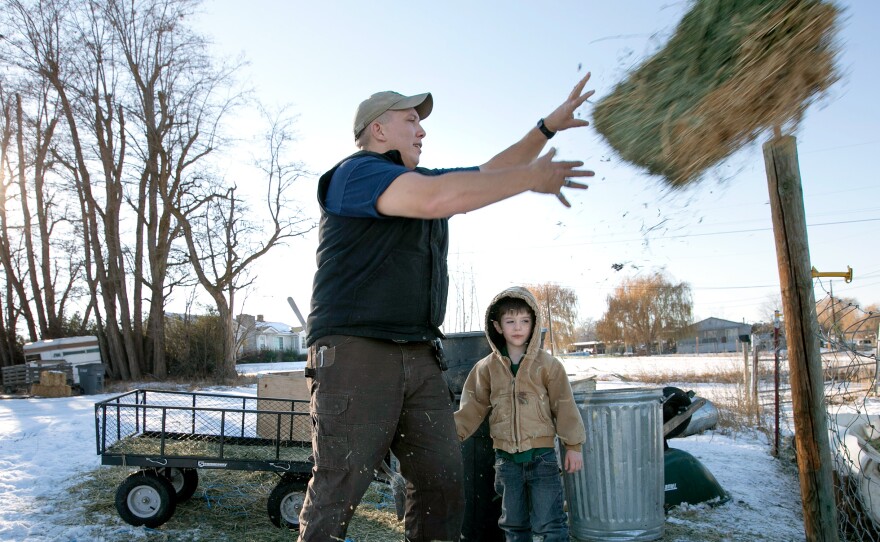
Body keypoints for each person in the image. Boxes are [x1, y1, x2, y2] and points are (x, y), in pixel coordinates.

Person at [300, 74, 595, 542]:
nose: (422, 130)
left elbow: (484, 174)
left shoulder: (416, 182)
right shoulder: (355, 176)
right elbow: (444, 196)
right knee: (341, 485)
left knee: (441, 481)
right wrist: (528, 180)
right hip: (357, 351)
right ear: (378, 130)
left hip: (419, 353)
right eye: (411, 120)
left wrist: (546, 129)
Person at [454, 286, 586, 541]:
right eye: (510, 321)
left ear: (533, 324)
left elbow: (565, 405)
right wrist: (450, 438)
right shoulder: (486, 368)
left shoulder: (548, 365)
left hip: (543, 459)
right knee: (514, 525)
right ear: (497, 326)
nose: (518, 327)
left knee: (550, 524)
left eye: (524, 321)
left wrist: (574, 446)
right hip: (506, 462)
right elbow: (472, 407)